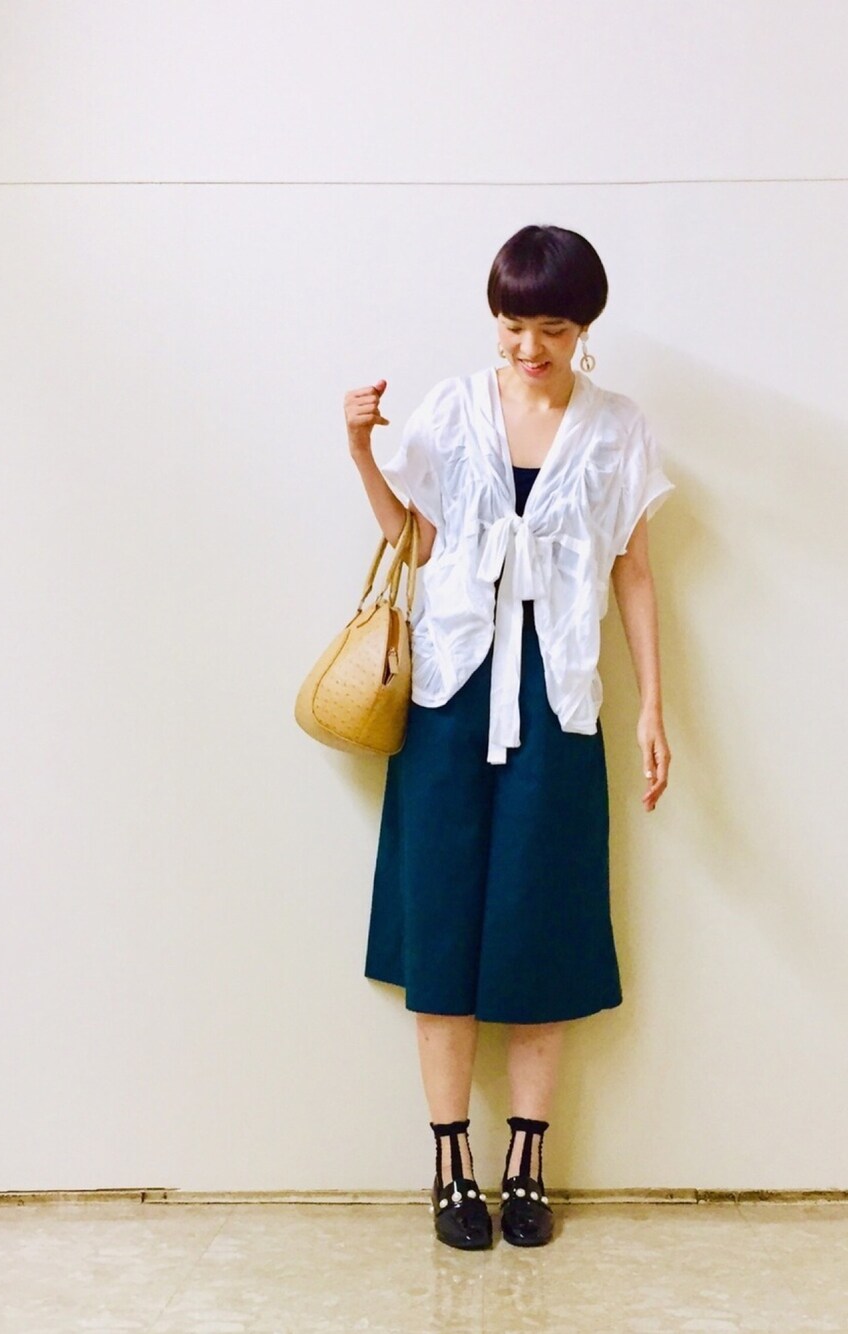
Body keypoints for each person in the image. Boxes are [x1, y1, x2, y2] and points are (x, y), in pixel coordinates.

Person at [343, 224, 674, 1251]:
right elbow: (415, 539)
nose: (529, 346)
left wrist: (650, 704)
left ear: (585, 328)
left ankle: (527, 1161)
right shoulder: (451, 409)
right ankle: (451, 1165)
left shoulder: (618, 429)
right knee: (441, 919)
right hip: (450, 694)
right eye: (512, 324)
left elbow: (631, 569)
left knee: (542, 920)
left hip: (560, 697)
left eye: (552, 328)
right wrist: (360, 452)